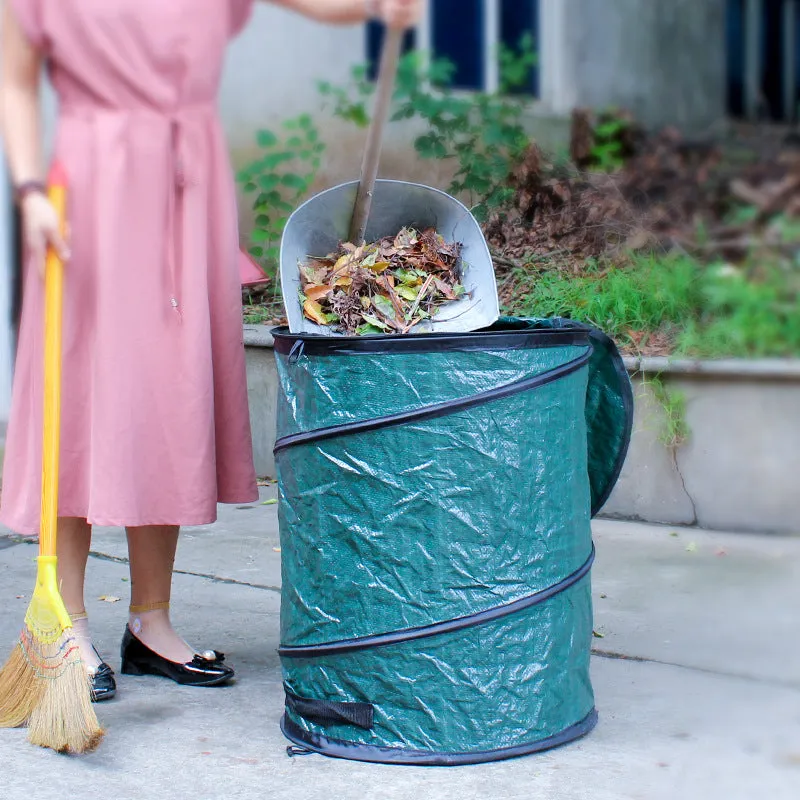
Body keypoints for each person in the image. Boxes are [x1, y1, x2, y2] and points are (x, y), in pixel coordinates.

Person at [0, 0, 422, 701]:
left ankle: (150, 624)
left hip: (188, 187)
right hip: (90, 193)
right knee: (78, 399)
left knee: (169, 393)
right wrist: (28, 188)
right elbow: (14, 78)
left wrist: (378, 6)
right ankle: (63, 622)